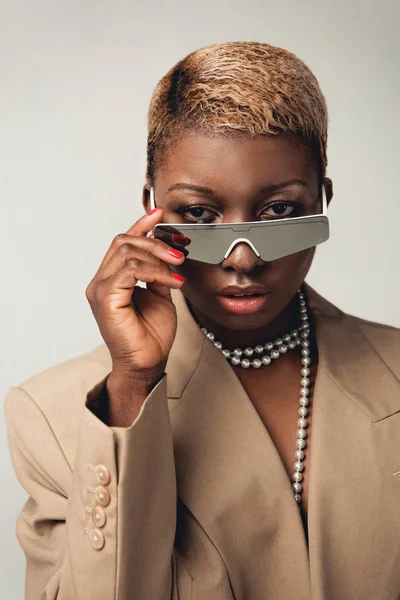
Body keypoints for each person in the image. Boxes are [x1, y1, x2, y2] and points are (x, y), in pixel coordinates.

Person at [4, 40, 400, 600]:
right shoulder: (51, 419)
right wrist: (133, 384)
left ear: (322, 202)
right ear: (151, 211)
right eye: (198, 215)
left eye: (280, 212)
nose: (243, 258)